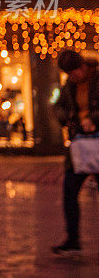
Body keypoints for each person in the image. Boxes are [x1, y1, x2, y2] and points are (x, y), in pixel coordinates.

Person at [51, 50, 99, 255]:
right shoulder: (69, 85)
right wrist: (68, 118)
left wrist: (94, 119)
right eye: (69, 74)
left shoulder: (97, 78)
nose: (73, 77)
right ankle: (73, 239)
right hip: (80, 143)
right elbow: (57, 107)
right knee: (69, 191)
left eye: (75, 72)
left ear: (83, 67)